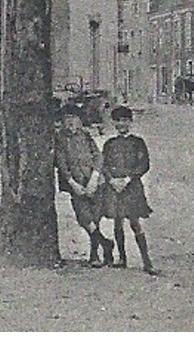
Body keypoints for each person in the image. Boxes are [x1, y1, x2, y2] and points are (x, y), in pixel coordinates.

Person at [55, 104, 113, 266]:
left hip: (95, 182)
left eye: (74, 118)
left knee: (95, 218)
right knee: (84, 218)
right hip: (77, 184)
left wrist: (95, 176)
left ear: (80, 120)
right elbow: (61, 164)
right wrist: (72, 183)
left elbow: (98, 156)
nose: (70, 122)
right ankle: (106, 243)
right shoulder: (60, 139)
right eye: (67, 118)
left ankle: (95, 255)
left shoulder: (86, 136)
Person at [102, 105, 156, 274]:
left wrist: (127, 179)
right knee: (118, 222)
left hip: (131, 187)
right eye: (118, 121)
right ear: (113, 123)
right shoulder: (110, 144)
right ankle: (122, 258)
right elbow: (104, 165)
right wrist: (111, 180)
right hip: (114, 187)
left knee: (135, 223)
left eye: (125, 120)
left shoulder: (137, 142)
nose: (121, 124)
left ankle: (147, 261)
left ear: (130, 122)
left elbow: (144, 164)